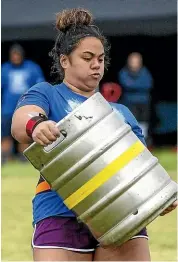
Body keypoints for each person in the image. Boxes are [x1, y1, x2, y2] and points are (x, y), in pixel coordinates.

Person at [11, 8, 177, 261]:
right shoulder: (47, 93)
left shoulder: (120, 112)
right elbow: (21, 120)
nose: (96, 64)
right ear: (64, 60)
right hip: (59, 213)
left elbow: (143, 164)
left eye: (100, 58)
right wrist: (37, 125)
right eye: (87, 57)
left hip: (122, 214)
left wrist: (161, 195)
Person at [1, 44, 45, 163]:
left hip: (25, 107)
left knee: (24, 134)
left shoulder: (32, 68)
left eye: (17, 55)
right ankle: (5, 158)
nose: (15, 57)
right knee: (5, 134)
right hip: (7, 109)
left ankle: (24, 158)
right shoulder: (4, 69)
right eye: (13, 55)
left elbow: (39, 85)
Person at [118, 52, 153, 144]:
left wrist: (134, 86)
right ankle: (132, 141)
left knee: (144, 121)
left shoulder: (145, 72)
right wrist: (137, 86)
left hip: (144, 101)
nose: (134, 63)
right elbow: (126, 84)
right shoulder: (124, 72)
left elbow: (148, 84)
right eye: (132, 61)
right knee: (132, 121)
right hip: (129, 102)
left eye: (136, 61)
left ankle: (143, 140)